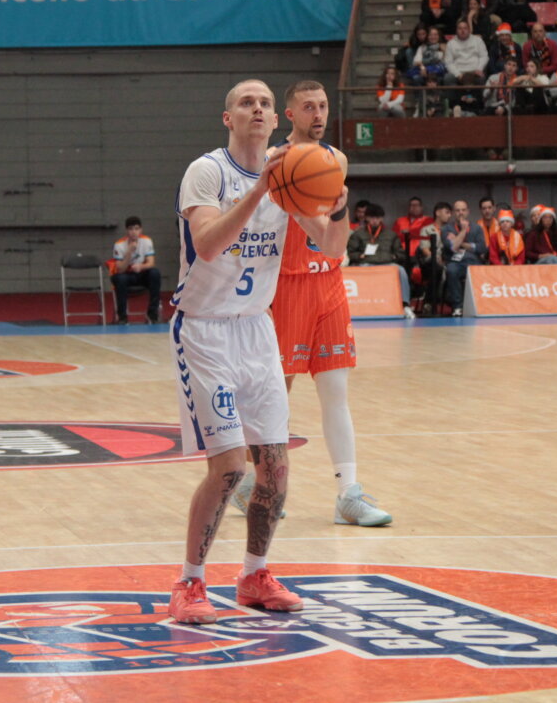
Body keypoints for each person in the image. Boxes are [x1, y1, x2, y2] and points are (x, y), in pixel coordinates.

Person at [167, 79, 347, 624]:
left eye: (267, 103)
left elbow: (333, 247)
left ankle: (254, 574)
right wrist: (261, 190)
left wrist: (336, 207)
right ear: (229, 117)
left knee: (275, 465)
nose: (259, 109)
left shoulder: (289, 174)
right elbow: (207, 244)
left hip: (256, 330)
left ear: (276, 118)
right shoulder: (208, 172)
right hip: (203, 330)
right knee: (227, 468)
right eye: (247, 102)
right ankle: (190, 583)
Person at [236, 80, 390, 528]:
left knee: (336, 394)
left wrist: (336, 214)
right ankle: (256, 483)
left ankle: (349, 494)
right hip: (284, 287)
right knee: (275, 400)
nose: (318, 114)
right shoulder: (271, 162)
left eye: (322, 106)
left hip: (329, 284)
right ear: (290, 115)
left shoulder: (336, 160)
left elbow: (333, 243)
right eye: (308, 107)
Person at [347, 203, 413, 318]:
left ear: (382, 218)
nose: (375, 221)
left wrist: (395, 257)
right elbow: (351, 253)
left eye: (377, 218)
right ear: (366, 218)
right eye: (372, 217)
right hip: (366, 264)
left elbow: (400, 253)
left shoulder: (391, 235)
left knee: (401, 270)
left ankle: (405, 304)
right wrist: (359, 256)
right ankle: (360, 304)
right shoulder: (358, 234)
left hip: (387, 264)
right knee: (357, 270)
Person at [109, 216, 162, 324]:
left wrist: (141, 267)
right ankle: (122, 317)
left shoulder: (146, 241)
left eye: (136, 229)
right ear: (127, 231)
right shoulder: (119, 244)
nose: (134, 232)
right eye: (131, 229)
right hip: (126, 275)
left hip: (141, 274)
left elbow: (151, 263)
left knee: (155, 273)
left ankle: (152, 314)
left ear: (140, 230)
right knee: (120, 279)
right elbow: (120, 269)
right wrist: (128, 252)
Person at [442, 199, 487, 316]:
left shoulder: (477, 228)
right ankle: (458, 307)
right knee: (451, 270)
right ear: (453, 213)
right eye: (457, 210)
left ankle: (481, 305)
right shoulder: (446, 229)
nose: (460, 213)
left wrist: (460, 243)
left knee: (481, 271)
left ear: (468, 212)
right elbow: (451, 248)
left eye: (463, 210)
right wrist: (462, 231)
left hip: (473, 261)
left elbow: (482, 248)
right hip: (455, 262)